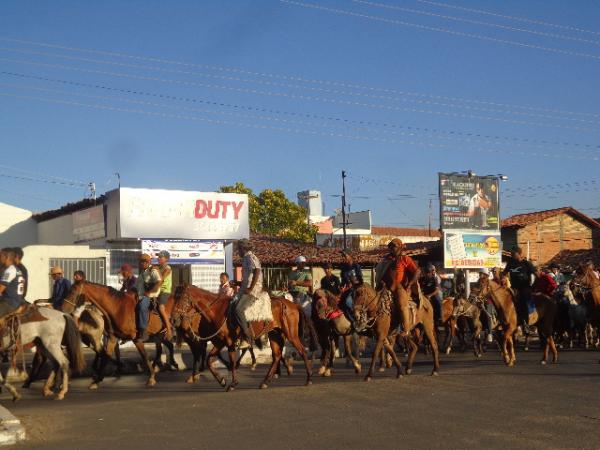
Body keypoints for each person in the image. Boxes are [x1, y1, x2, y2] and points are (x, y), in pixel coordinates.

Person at [383, 239, 420, 337]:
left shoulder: (405, 259)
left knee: (401, 305)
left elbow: (417, 272)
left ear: (399, 247)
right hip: (387, 287)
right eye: (390, 246)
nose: (391, 248)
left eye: (394, 246)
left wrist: (410, 284)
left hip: (400, 287)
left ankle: (406, 329)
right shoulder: (387, 259)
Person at [233, 239, 266, 347]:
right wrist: (238, 283)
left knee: (239, 309)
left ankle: (247, 337)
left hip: (253, 291)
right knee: (230, 305)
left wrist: (251, 288)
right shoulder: (245, 258)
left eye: (238, 249)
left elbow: (257, 270)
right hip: (245, 289)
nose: (238, 252)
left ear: (243, 249)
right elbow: (248, 276)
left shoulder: (250, 257)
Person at [503, 247, 535, 334]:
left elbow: (536, 274)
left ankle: (526, 323)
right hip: (514, 288)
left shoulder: (527, 263)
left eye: (514, 253)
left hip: (525, 288)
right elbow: (504, 273)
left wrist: (533, 286)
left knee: (523, 301)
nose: (512, 255)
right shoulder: (510, 263)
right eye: (512, 253)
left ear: (520, 254)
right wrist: (503, 278)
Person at [135, 253, 162, 341]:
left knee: (142, 307)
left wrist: (150, 292)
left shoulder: (152, 270)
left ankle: (144, 332)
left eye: (143, 262)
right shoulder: (143, 273)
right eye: (140, 262)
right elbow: (136, 285)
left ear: (147, 262)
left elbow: (159, 282)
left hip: (151, 295)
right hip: (141, 295)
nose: (141, 263)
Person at [339, 250, 363, 329]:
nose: (343, 258)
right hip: (348, 290)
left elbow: (361, 280)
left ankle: (357, 321)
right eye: (342, 256)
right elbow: (343, 282)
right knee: (340, 303)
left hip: (357, 289)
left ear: (350, 256)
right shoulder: (343, 269)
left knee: (348, 301)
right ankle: (350, 320)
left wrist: (354, 283)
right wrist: (341, 286)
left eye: (345, 256)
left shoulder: (356, 266)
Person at [0, 248, 26, 319]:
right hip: (17, 301)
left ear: (6, 257)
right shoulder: (17, 270)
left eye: (0, 256)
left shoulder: (10, 271)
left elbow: (0, 289)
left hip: (10, 303)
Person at [156, 250, 173, 339]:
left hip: (164, 291)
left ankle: (169, 328)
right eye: (158, 256)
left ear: (166, 259)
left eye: (160, 257)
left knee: (161, 308)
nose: (158, 258)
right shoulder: (158, 267)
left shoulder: (167, 268)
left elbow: (161, 279)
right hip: (157, 291)